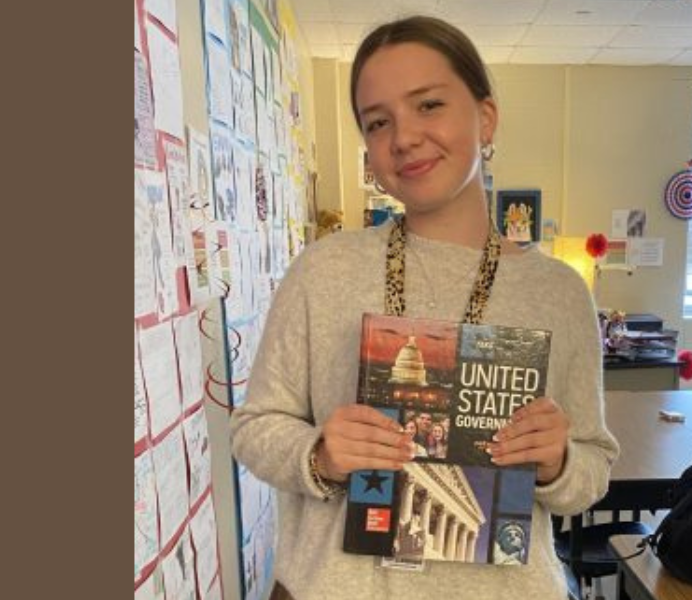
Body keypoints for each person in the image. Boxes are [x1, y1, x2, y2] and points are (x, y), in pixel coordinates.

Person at [230, 15, 619, 600]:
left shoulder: (560, 293)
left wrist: (558, 461)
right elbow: (255, 426)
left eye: (429, 105)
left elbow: (593, 466)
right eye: (378, 121)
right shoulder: (324, 269)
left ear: (485, 117)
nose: (404, 136)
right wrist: (319, 456)